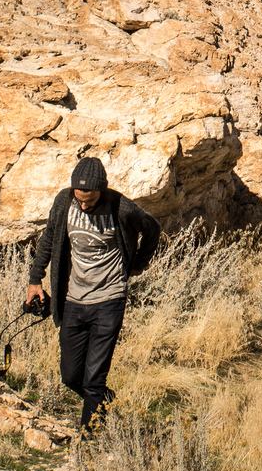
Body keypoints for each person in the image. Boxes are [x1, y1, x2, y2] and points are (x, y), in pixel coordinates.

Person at [26, 155, 162, 431]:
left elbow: (152, 230)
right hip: (74, 300)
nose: (84, 205)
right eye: (80, 199)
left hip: (109, 300)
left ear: (102, 190)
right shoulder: (64, 202)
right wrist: (35, 279)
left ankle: (88, 436)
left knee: (93, 378)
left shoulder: (121, 208)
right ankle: (102, 400)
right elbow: (50, 239)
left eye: (89, 200)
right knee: (70, 375)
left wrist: (135, 266)